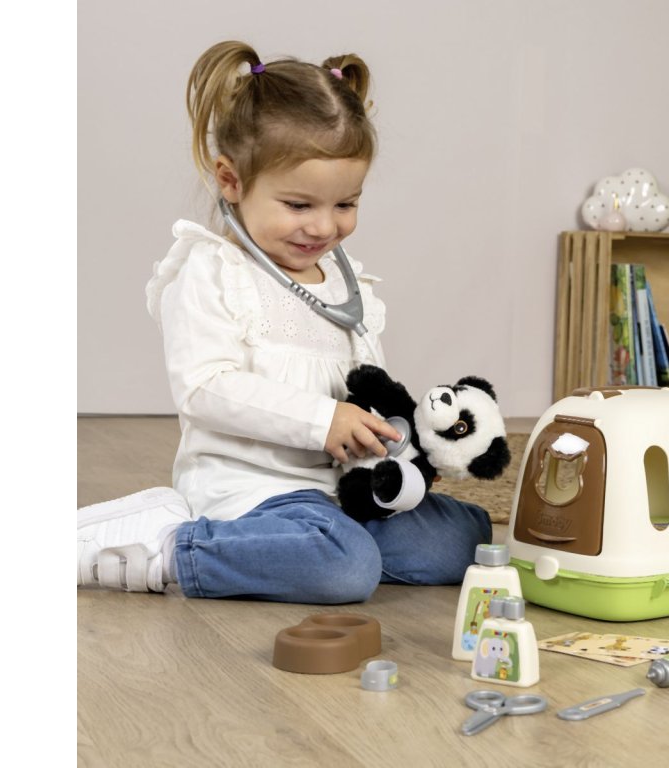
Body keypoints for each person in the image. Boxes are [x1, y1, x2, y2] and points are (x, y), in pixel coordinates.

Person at [77, 41, 492, 602]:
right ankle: (170, 545)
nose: (323, 227)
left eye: (345, 204)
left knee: (464, 537)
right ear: (231, 181)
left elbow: (364, 388)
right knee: (344, 567)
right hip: (253, 491)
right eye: (299, 205)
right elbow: (203, 388)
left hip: (342, 490)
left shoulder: (347, 283)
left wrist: (401, 438)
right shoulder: (212, 270)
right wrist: (322, 420)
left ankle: (311, 548)